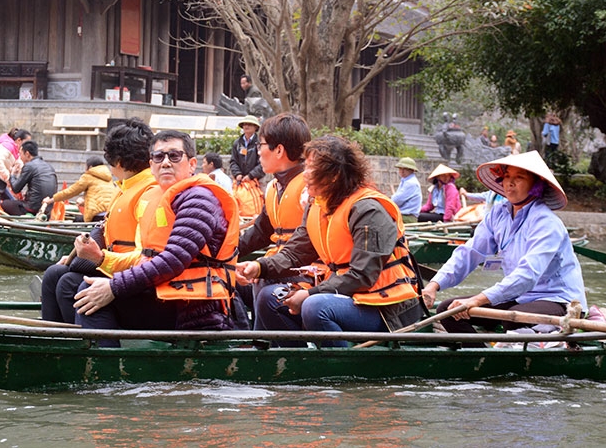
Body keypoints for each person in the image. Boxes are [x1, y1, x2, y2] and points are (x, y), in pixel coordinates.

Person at [241, 135, 424, 347]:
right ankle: (295, 363)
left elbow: (363, 275)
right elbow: (295, 252)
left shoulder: (369, 210)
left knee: (314, 306)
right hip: (344, 295)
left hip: (386, 308)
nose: (305, 174)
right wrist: (259, 267)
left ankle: (338, 366)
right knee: (269, 298)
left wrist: (309, 293)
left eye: (311, 168)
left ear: (334, 175)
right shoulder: (318, 205)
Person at [73, 130, 240, 343]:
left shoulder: (199, 199)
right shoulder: (162, 198)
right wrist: (102, 263)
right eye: (159, 157)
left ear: (192, 164)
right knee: (81, 287)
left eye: (174, 156)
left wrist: (114, 286)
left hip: (195, 308)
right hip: (167, 295)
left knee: (88, 290)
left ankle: (103, 363)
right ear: (151, 165)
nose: (166, 162)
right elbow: (147, 256)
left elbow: (174, 259)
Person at [422, 151, 586, 334]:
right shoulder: (498, 214)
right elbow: (470, 252)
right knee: (448, 311)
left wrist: (477, 300)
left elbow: (527, 275)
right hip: (519, 296)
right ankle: (479, 351)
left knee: (513, 320)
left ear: (536, 185)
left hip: (558, 300)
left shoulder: (546, 222)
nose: (510, 182)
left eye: (519, 177)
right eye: (507, 176)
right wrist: (433, 285)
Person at [41, 118, 160, 324]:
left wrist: (99, 257)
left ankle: (80, 338)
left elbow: (146, 256)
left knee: (69, 283)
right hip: (117, 266)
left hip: (134, 276)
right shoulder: (125, 186)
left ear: (118, 162)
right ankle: (56, 336)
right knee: (55, 274)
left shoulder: (149, 192)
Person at [235, 112, 312, 327]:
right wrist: (223, 253)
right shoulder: (274, 187)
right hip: (276, 266)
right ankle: (249, 338)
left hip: (305, 274)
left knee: (264, 285)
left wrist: (263, 266)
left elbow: (307, 246)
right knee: (226, 279)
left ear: (278, 150)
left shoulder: (309, 188)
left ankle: (263, 341)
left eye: (260, 145)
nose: (258, 152)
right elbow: (259, 233)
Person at [42, 156, 119, 223]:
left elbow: (71, 191)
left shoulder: (88, 176)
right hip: (111, 213)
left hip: (97, 215)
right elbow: (101, 199)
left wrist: (50, 200)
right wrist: (85, 203)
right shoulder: (109, 178)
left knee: (77, 221)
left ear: (90, 167)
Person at [1, 140, 57, 216]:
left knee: (5, 204)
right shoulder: (49, 167)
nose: (20, 157)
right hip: (48, 209)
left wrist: (13, 174)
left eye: (20, 154)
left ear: (27, 154)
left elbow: (16, 189)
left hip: (33, 209)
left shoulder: (29, 166)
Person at [0, 128, 31, 202]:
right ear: (19, 140)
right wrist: (8, 178)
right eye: (26, 142)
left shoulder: (16, 150)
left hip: (0, 181)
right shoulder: (7, 146)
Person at [230, 114, 264, 184]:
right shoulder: (237, 143)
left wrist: (250, 175)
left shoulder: (261, 143)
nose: (246, 126)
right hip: (240, 181)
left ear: (255, 127)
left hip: (257, 181)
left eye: (249, 124)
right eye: (245, 124)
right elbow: (233, 161)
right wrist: (237, 174)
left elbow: (263, 162)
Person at [391, 157, 422, 222]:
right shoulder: (405, 181)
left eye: (405, 169)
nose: (402, 171)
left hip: (407, 217)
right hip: (402, 215)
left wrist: (392, 198)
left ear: (412, 170)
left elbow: (396, 200)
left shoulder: (411, 183)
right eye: (400, 168)